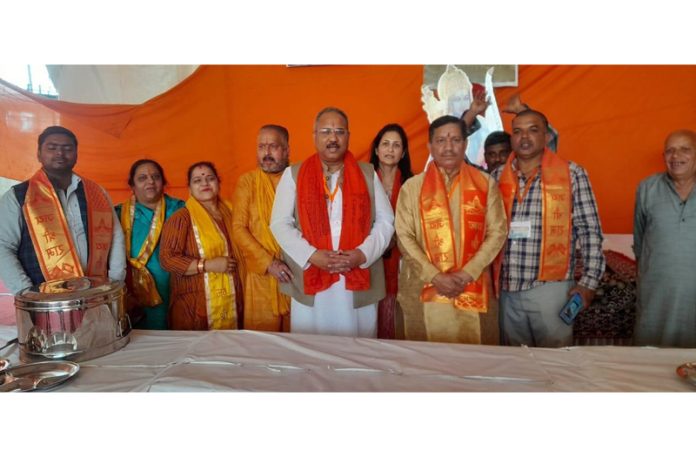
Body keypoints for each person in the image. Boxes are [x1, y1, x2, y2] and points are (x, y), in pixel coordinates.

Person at [270, 107, 394, 338]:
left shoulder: (367, 173)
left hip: (357, 277)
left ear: (348, 136)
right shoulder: (294, 174)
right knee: (312, 350)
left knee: (358, 349)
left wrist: (362, 254)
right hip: (311, 276)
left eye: (339, 131)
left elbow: (386, 221)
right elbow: (279, 223)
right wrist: (311, 255)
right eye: (326, 131)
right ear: (314, 136)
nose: (333, 138)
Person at [492, 109, 605, 347]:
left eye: (533, 130)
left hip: (550, 288)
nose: (524, 137)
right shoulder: (495, 177)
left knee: (556, 366)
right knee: (514, 367)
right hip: (506, 290)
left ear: (546, 136)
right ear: (511, 138)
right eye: (518, 131)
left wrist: (588, 282)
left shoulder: (572, 174)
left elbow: (589, 230)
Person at [395, 116, 507, 344]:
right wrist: (435, 276)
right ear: (430, 146)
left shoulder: (485, 184)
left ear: (465, 144)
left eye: (455, 140)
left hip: (472, 286)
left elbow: (497, 232)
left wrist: (466, 274)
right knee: (424, 363)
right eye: (441, 140)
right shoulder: (412, 187)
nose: (448, 147)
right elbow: (404, 235)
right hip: (424, 287)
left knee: (475, 364)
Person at [0, 126, 126, 296]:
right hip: (44, 299)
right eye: (52, 148)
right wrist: (26, 292)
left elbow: (115, 235)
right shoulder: (18, 197)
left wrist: (115, 281)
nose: (60, 153)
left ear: (76, 154)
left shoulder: (96, 192)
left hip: (96, 294)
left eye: (67, 148)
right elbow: (3, 246)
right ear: (38, 154)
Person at [160, 161, 243, 330]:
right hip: (195, 305)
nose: (205, 183)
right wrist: (207, 264)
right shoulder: (181, 218)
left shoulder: (233, 213)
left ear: (218, 183)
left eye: (210, 178)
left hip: (234, 298)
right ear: (189, 188)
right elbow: (167, 259)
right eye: (197, 180)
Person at [633, 129, 696, 347]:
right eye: (670, 151)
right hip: (656, 296)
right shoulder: (647, 188)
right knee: (649, 364)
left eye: (684, 149)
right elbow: (641, 241)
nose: (676, 156)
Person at [231, 125, 293, 332]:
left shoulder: (298, 179)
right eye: (261, 147)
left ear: (286, 150)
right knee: (261, 343)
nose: (266, 153)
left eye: (273, 146)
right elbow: (239, 228)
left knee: (300, 341)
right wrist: (269, 263)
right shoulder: (247, 182)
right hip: (261, 276)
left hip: (295, 273)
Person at [115, 159, 185, 330]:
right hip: (130, 289)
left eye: (155, 177)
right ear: (132, 185)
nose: (150, 182)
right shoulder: (117, 213)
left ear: (163, 181)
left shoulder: (181, 209)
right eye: (142, 178)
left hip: (173, 286)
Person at [368, 123, 414, 339]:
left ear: (403, 152)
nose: (390, 149)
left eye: (396, 145)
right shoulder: (362, 181)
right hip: (369, 258)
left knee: (395, 320)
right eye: (385, 144)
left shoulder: (412, 184)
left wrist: (396, 239)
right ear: (376, 149)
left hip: (401, 261)